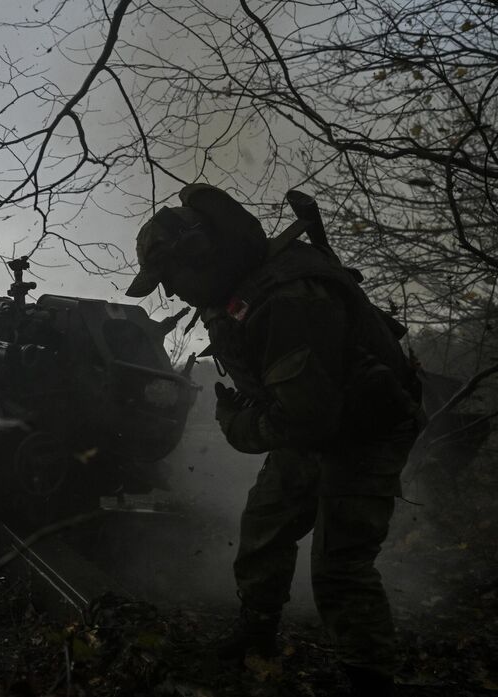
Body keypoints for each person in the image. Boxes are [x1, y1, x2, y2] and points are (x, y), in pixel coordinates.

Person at [125, 184, 422, 697]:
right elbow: (300, 408)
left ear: (200, 255)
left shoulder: (287, 298)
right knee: (265, 521)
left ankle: (371, 678)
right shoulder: (237, 289)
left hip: (368, 430)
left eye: (171, 277)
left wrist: (239, 426)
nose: (171, 293)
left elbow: (304, 420)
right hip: (318, 416)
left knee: (339, 565)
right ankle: (256, 632)